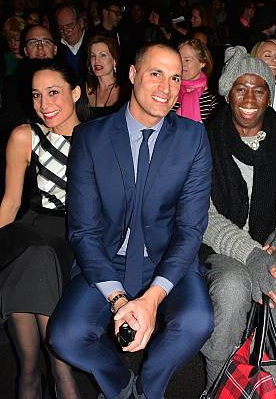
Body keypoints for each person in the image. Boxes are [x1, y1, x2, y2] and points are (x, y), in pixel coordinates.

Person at [48, 42, 214, 399]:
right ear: (133, 74)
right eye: (156, 74)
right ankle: (120, 385)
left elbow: (189, 230)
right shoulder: (90, 138)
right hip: (108, 258)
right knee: (66, 336)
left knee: (197, 321)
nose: (166, 88)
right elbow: (84, 231)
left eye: (174, 78)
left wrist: (152, 299)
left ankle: (150, 386)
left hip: (166, 256)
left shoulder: (193, 138)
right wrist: (120, 301)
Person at [0, 60, 85, 398]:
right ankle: (60, 374)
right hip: (30, 232)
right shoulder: (24, 135)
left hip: (75, 238)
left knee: (41, 261)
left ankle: (55, 374)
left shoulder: (96, 137)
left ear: (76, 93)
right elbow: (9, 202)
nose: (44, 105)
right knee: (32, 364)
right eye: (36, 95)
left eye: (53, 93)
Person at [201, 45, 276, 387]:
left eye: (259, 89)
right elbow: (206, 216)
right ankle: (218, 384)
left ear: (269, 95)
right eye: (240, 88)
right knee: (231, 288)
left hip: (271, 243)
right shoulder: (206, 141)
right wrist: (251, 254)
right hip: (223, 250)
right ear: (227, 93)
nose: (249, 97)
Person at [173, 39, 220, 124]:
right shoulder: (170, 91)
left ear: (202, 63)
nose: (181, 65)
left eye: (187, 60)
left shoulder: (213, 98)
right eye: (179, 59)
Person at [85, 35, 128, 119]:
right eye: (93, 56)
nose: (97, 60)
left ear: (114, 60)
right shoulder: (83, 89)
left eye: (103, 55)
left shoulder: (125, 91)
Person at [55, 4, 88, 78]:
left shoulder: (94, 42)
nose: (65, 31)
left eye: (69, 26)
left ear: (81, 23)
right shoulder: (55, 48)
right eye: (61, 28)